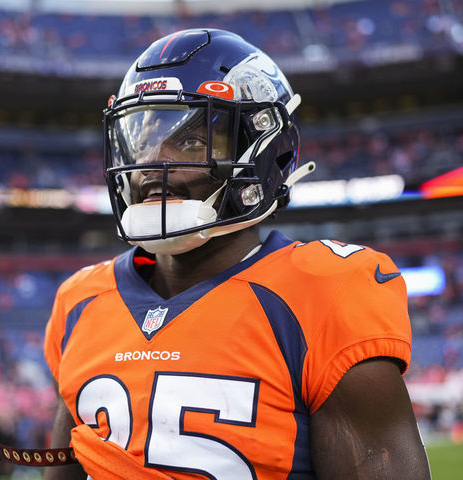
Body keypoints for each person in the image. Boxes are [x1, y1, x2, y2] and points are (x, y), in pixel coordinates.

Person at [42, 29, 431, 479]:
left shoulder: (323, 294)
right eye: (140, 139)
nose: (151, 161)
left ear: (264, 149)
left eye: (189, 141)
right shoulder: (80, 300)